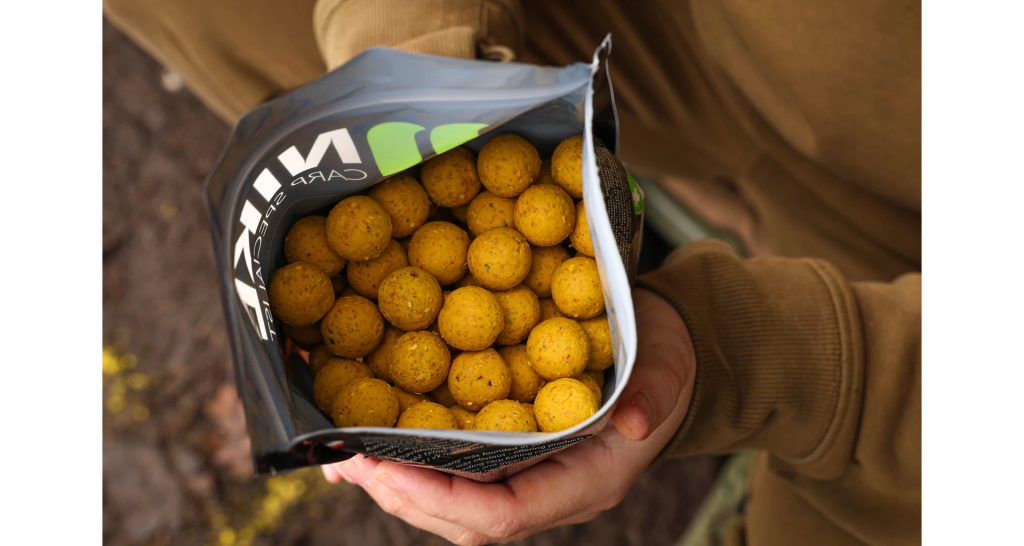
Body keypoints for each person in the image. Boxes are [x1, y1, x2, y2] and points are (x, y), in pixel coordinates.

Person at [105, 1, 921, 544]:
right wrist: (419, 54)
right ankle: (718, 196)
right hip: (723, 56)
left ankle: (731, 221)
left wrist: (765, 358)